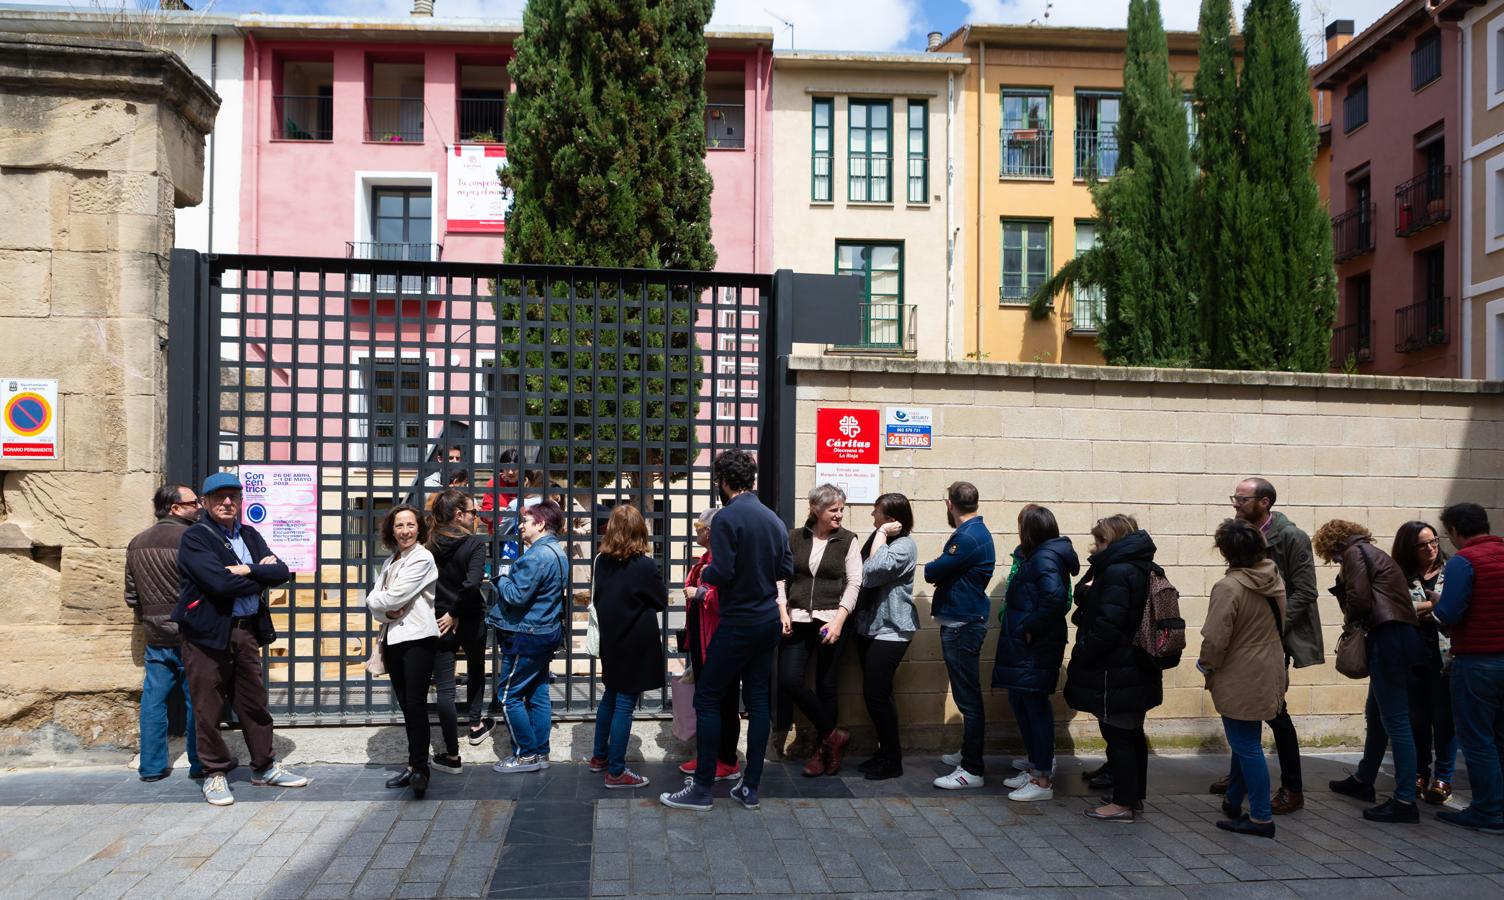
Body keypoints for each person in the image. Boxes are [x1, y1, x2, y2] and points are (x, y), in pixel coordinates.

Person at [660, 449, 793, 812]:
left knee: (708, 698)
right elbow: (786, 567)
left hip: (738, 621)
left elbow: (723, 571)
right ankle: (750, 788)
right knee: (759, 701)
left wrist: (706, 574)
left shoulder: (726, 518)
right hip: (766, 619)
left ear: (723, 480)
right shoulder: (773, 519)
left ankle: (702, 789)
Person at [172, 472, 308, 807]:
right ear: (205, 503)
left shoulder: (250, 534)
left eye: (233, 496)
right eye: (219, 497)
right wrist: (259, 574)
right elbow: (219, 585)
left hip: (246, 630)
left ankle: (263, 766)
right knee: (207, 707)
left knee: (253, 702)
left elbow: (282, 573)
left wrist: (248, 571)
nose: (228, 503)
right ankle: (214, 773)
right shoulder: (196, 539)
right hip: (207, 633)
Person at [1213, 477, 1321, 814]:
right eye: (1235, 498)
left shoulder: (1292, 537)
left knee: (1274, 712)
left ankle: (1292, 787)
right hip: (1253, 638)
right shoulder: (1244, 532)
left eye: (1242, 499)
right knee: (1243, 710)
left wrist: (1274, 627)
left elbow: (1305, 590)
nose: (1236, 504)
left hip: (1275, 638)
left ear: (1265, 502)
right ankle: (1241, 777)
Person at [1317, 519, 1426, 824]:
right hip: (1398, 638)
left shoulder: (1355, 553)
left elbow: (1360, 599)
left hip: (1386, 639)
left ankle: (1404, 800)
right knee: (1376, 715)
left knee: (1395, 722)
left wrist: (1349, 621)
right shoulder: (1370, 551)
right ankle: (1364, 780)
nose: (1333, 560)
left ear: (1333, 545)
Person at [1064, 514, 1161, 822]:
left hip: (1116, 668)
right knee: (1131, 733)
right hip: (1134, 667)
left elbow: (1109, 624)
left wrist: (1083, 651)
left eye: (1100, 540)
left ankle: (1123, 803)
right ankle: (1132, 797)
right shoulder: (1140, 566)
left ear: (1113, 541)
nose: (1095, 546)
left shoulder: (1118, 571)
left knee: (1118, 734)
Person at [1201, 519, 1287, 839]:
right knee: (1245, 740)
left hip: (1240, 672)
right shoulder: (1274, 576)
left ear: (1225, 551)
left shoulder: (1229, 587)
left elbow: (1215, 637)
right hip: (1269, 668)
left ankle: (1262, 817)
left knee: (1247, 746)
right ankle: (1234, 799)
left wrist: (1207, 666)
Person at [991, 504, 1077, 802]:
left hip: (1035, 646)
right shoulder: (1040, 555)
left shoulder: (1045, 557)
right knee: (1022, 700)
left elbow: (1054, 598)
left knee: (1035, 706)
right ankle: (1034, 768)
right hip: (1028, 645)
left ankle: (1042, 780)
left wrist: (1030, 626)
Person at [776, 484, 861, 777]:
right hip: (797, 618)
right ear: (816, 509)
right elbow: (782, 576)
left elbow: (854, 583)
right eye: (833, 510)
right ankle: (834, 736)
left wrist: (839, 620)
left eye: (841, 509)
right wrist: (782, 609)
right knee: (789, 680)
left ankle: (822, 752)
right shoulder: (794, 537)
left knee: (827, 686)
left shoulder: (848, 540)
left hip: (831, 621)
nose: (839, 515)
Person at [585, 504, 667, 789]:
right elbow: (661, 600)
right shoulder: (644, 565)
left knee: (610, 696)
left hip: (611, 639)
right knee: (624, 704)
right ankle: (617, 771)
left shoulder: (600, 560)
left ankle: (599, 757)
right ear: (639, 530)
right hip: (636, 642)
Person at [1434, 502, 1504, 833]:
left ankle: (1488, 811)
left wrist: (1435, 604)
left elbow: (1448, 613)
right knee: (1500, 737)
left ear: (1455, 531)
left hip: (1478, 660)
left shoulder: (1465, 561)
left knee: (1477, 739)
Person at [126, 483, 203, 783]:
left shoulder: (137, 542)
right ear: (175, 508)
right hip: (189, 631)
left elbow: (131, 595)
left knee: (153, 700)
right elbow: (204, 584)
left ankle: (152, 766)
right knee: (196, 699)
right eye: (193, 502)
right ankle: (199, 762)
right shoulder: (192, 539)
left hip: (155, 634)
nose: (199, 507)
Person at [486, 500, 570, 773]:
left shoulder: (537, 556)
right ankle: (541, 752)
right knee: (538, 692)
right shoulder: (558, 552)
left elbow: (516, 596)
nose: (521, 525)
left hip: (526, 634)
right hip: (545, 632)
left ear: (541, 524)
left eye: (526, 520)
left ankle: (526, 755)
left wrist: (500, 578)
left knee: (508, 695)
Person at [923, 481, 995, 790]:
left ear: (950, 504)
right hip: (962, 622)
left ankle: (972, 769)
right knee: (967, 696)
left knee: (968, 699)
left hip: (963, 625)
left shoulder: (967, 537)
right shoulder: (974, 533)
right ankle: (968, 754)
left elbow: (931, 571)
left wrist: (936, 565)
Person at [366, 506, 440, 799]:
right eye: (399, 525)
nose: (405, 531)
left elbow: (394, 597)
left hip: (418, 639)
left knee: (415, 704)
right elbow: (384, 610)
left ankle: (421, 768)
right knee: (407, 708)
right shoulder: (391, 560)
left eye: (410, 525)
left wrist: (374, 601)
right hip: (394, 639)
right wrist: (381, 608)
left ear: (419, 529)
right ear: (391, 530)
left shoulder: (422, 557)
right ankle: (413, 765)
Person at [853, 493, 919, 781]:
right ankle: (884, 753)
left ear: (891, 519)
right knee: (878, 694)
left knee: (876, 694)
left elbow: (870, 572)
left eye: (877, 513)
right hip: (870, 627)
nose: (873, 517)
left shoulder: (904, 546)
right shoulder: (882, 540)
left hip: (893, 630)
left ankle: (893, 760)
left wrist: (880, 534)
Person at [426, 490, 490, 771]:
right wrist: (457, 612)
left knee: (445, 687)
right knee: (476, 667)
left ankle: (452, 755)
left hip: (439, 619)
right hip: (469, 616)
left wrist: (448, 613)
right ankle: (475, 724)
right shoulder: (474, 544)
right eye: (473, 512)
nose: (476, 517)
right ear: (458, 515)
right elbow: (472, 583)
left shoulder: (428, 543)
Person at [1392, 520, 1454, 804]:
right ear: (1409, 548)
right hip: (1412, 654)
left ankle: (1443, 777)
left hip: (1445, 655)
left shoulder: (1453, 570)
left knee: (1444, 719)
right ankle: (1418, 772)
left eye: (1434, 541)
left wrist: (1427, 609)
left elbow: (1458, 608)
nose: (1431, 548)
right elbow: (1401, 610)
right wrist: (1436, 604)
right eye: (1422, 545)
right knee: (1417, 718)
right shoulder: (1400, 576)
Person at [679, 508, 743, 781]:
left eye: (700, 526)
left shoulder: (723, 560)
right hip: (702, 641)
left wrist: (700, 593)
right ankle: (708, 755)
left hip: (719, 640)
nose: (698, 531)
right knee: (706, 701)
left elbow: (728, 599)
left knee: (725, 702)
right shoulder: (705, 559)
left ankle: (727, 760)